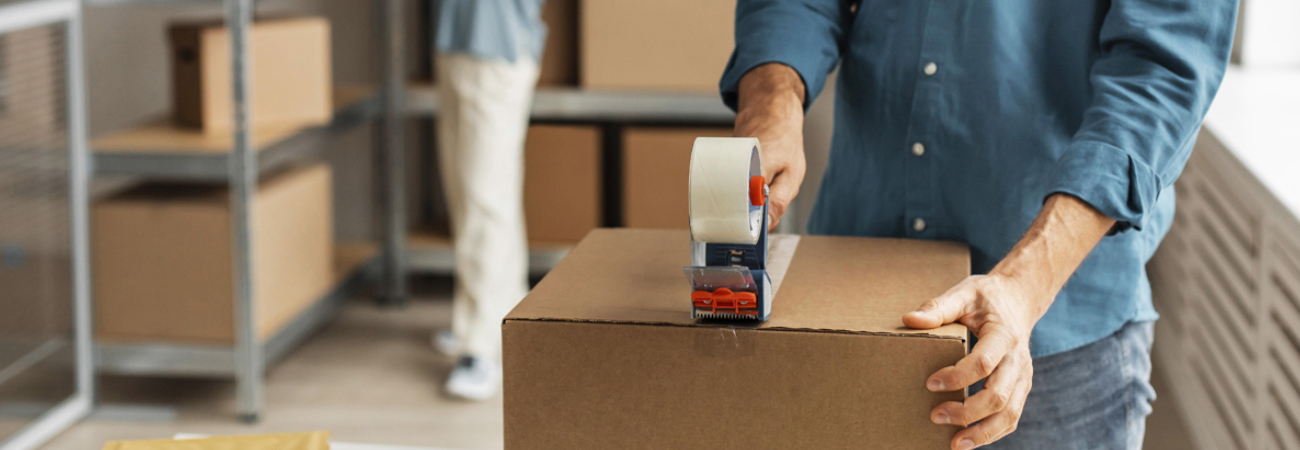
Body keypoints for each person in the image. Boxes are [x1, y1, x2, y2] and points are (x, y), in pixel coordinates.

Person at [722, 1, 1236, 449]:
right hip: (848, 307)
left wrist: (1022, 287)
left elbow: (1162, 69)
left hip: (1057, 342)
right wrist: (772, 104)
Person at [431, 0, 545, 401]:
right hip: (456, 42)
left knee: (485, 199)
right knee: (467, 193)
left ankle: (480, 348)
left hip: (497, 48)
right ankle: (496, 312)